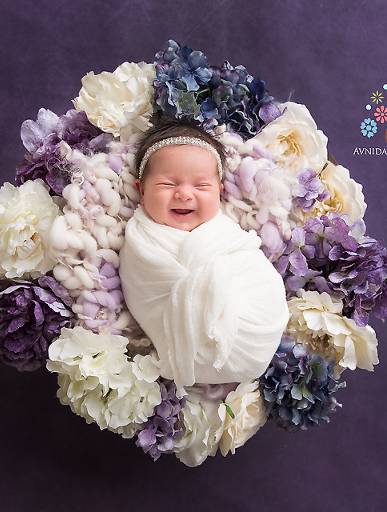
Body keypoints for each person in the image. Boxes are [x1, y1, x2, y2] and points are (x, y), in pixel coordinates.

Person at [119, 120, 289, 389]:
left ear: (220, 193)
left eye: (201, 186)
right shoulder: (141, 240)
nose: (184, 194)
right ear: (141, 191)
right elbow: (143, 290)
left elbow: (257, 274)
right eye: (167, 183)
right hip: (182, 349)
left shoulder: (225, 231)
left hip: (256, 331)